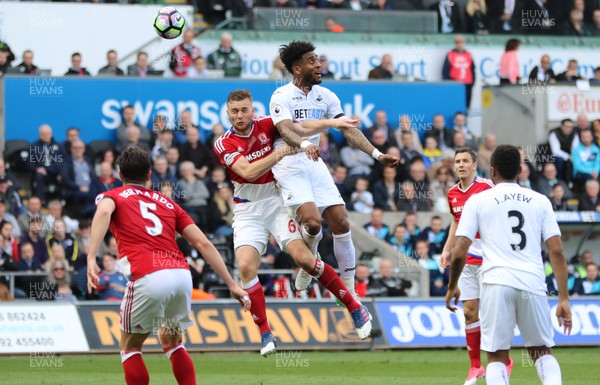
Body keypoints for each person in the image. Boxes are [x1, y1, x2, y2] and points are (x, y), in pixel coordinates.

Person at [214, 89, 373, 355]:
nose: (240, 115)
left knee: (305, 260)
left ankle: (355, 308)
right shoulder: (224, 142)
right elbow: (248, 171)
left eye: (244, 110)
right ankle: (265, 335)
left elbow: (301, 126)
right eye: (234, 111)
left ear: (253, 110)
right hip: (247, 210)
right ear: (228, 113)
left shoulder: (267, 124)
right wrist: (281, 153)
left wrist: (332, 122)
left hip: (276, 204)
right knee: (244, 267)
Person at [86, 146, 251, 385]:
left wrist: (91, 257)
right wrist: (232, 284)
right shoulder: (168, 203)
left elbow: (102, 211)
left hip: (149, 276)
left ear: (119, 175)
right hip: (181, 275)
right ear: (150, 175)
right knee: (172, 341)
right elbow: (203, 243)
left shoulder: (114, 195)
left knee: (130, 347)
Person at [269, 40, 399, 301]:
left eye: (318, 59)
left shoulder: (327, 96)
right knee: (313, 223)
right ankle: (312, 257)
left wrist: (377, 154)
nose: (319, 65)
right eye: (312, 61)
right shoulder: (280, 96)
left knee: (341, 221)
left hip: (313, 163)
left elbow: (348, 129)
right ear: (296, 69)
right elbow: (287, 130)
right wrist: (306, 144)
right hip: (289, 163)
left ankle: (349, 290)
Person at [446, 144, 572, 385]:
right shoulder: (540, 200)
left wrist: (453, 285)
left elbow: (459, 250)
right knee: (541, 352)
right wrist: (563, 298)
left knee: (496, 357)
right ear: (520, 169)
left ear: (492, 171)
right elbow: (556, 251)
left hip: (495, 283)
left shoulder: (478, 200)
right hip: (532, 283)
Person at [439, 146, 510, 385]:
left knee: (491, 315)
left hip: (489, 260)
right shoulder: (452, 193)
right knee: (469, 312)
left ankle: (505, 360)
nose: (459, 165)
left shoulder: (488, 188)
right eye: (457, 161)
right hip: (466, 261)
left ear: (473, 165)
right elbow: (455, 222)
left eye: (464, 161)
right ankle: (475, 367)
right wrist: (447, 249)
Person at [442, 35, 476, 109]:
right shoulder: (450, 54)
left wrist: (472, 82)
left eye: (461, 42)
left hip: (467, 85)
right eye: (457, 42)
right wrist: (448, 83)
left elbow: (472, 69)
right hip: (454, 85)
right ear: (454, 43)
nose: (459, 44)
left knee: (466, 106)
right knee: (454, 105)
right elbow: (445, 71)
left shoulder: (468, 54)